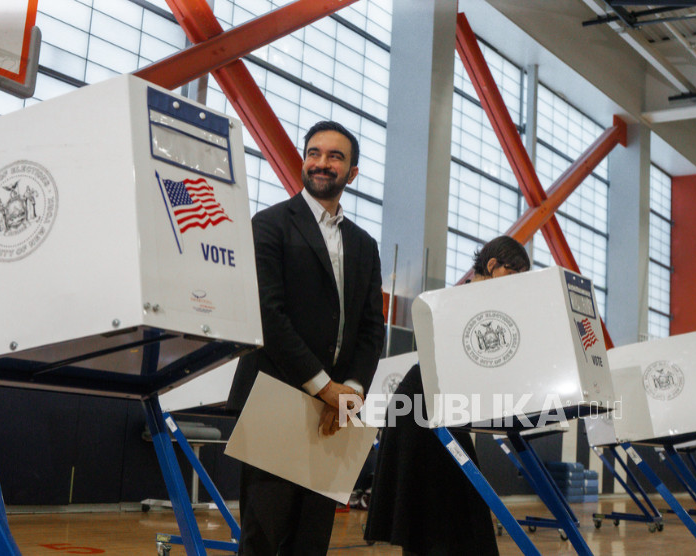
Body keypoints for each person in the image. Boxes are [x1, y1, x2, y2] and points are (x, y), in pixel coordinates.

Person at [227, 120, 385, 555]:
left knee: (310, 542)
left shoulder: (365, 245)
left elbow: (372, 330)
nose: (321, 163)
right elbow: (269, 316)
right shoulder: (270, 224)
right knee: (264, 538)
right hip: (276, 396)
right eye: (314, 153)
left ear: (352, 172)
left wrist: (349, 391)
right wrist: (324, 387)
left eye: (335, 156)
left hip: (333, 415)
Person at [364, 235, 531, 556]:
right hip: (420, 407)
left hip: (436, 407)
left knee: (451, 515)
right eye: (513, 275)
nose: (516, 285)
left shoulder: (482, 304)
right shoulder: (466, 302)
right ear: (492, 265)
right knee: (439, 515)